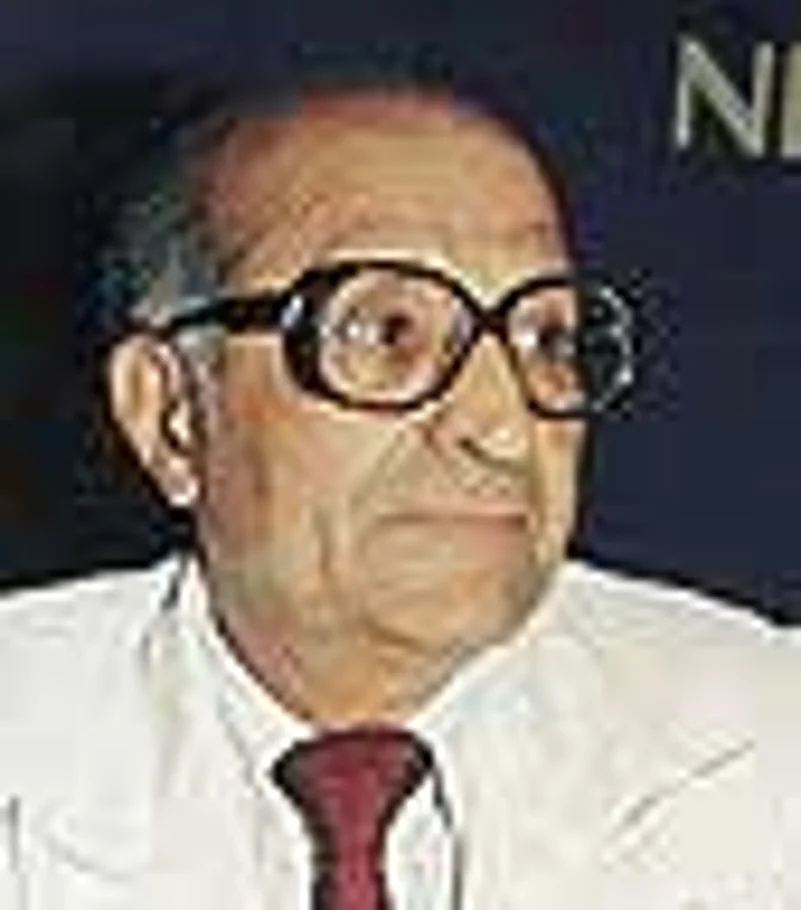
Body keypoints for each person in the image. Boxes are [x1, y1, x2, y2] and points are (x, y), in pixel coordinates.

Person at [0, 80, 798, 909]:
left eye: (545, 339)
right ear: (169, 413)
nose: (504, 429)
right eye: (386, 332)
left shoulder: (772, 741)